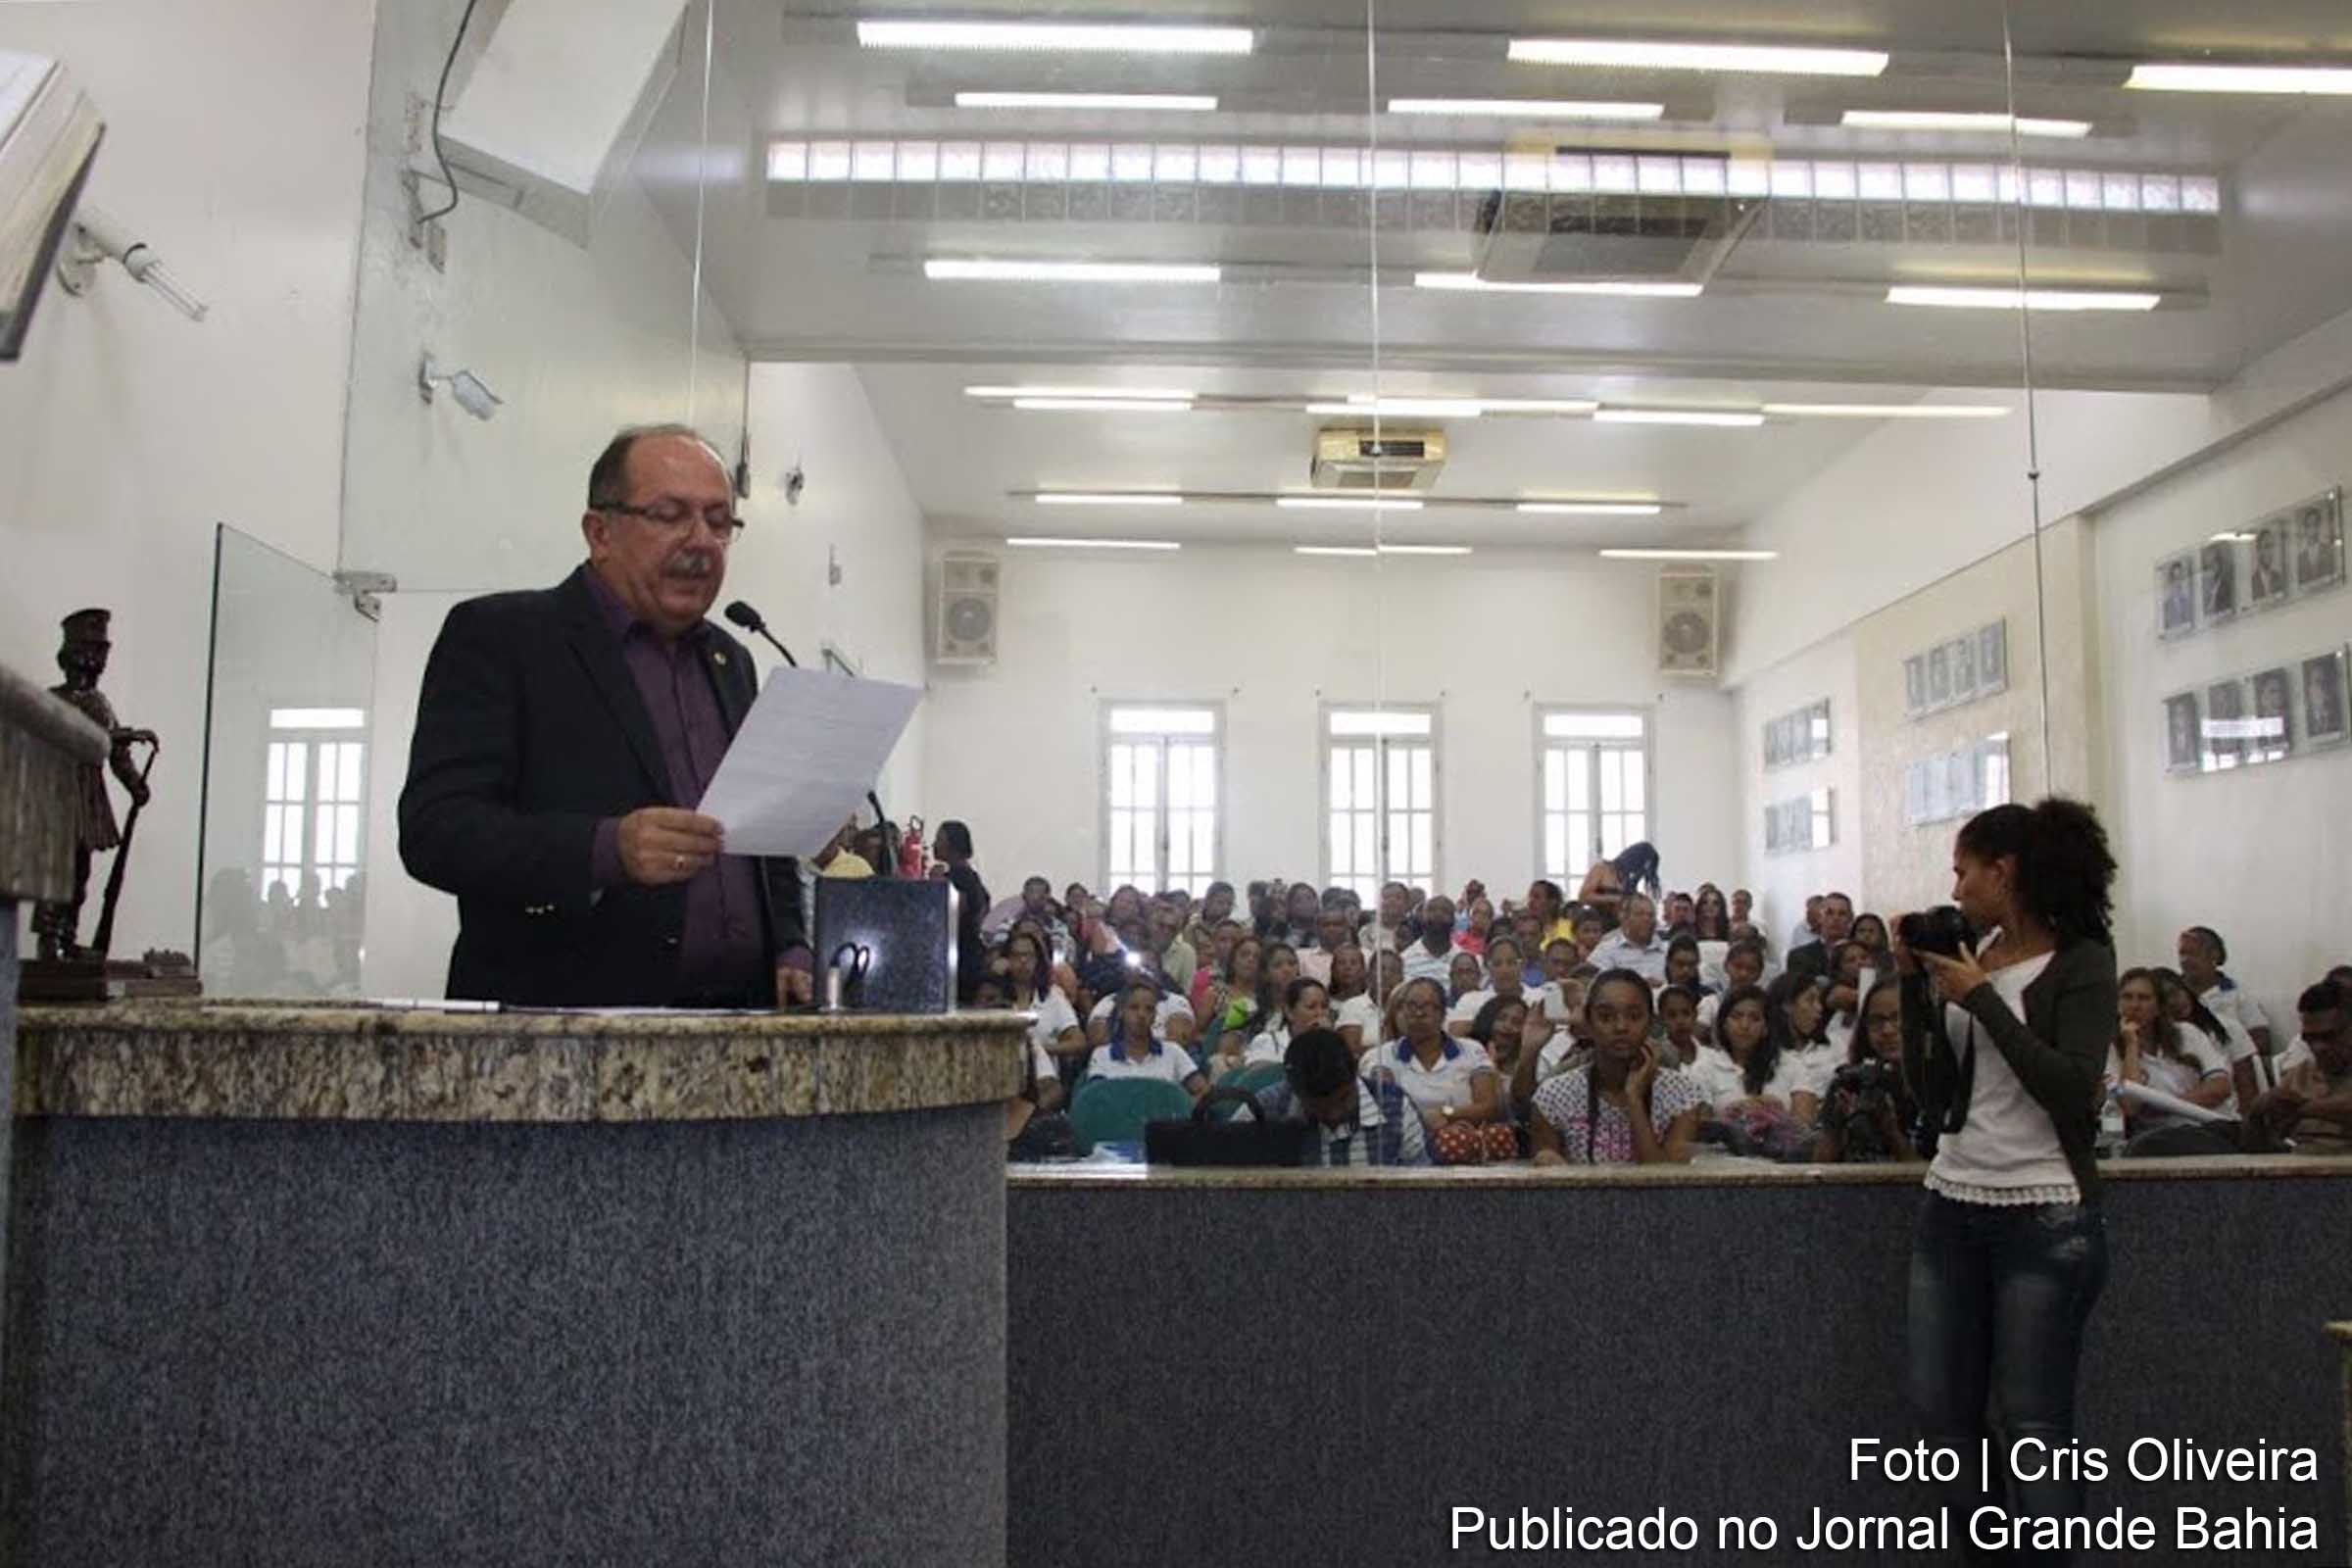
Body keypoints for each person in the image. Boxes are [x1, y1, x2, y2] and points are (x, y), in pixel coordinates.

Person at [399, 424, 812, 1007]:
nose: (701, 541)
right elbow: (435, 832)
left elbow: (758, 835)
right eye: (670, 515)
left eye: (719, 522)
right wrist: (605, 849)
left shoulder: (732, 661)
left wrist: (791, 945)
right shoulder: (503, 638)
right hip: (561, 1035)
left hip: (738, 1031)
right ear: (600, 532)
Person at [1899, 799, 2120, 1552]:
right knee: (1941, 1419)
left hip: (2045, 1212)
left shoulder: (2082, 961)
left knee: (2034, 1429)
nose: (1955, 889)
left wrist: (1983, 1001)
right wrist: (1915, 990)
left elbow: (2070, 1086)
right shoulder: (1976, 953)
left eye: (1965, 871)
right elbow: (1931, 1094)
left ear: (2006, 871)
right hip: (1953, 1199)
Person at [1530, 969, 1703, 1165]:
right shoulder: (1553, 1096)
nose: (1621, 1027)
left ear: (1651, 1024)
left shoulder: (1682, 1094)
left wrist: (1635, 1099)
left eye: (1634, 1016)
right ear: (1588, 1023)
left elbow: (1666, 1183)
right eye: (1606, 1017)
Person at [1364, 977, 1513, 1161]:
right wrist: (1424, 1122)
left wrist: (1446, 1114)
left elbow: (1489, 1107)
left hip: (1462, 1150)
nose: (1418, 1013)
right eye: (1411, 1006)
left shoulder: (1471, 1051)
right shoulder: (1382, 1057)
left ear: (1442, 1014)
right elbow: (1385, 1112)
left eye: (1427, 1006)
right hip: (1406, 1154)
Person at [1250, 1027, 1431, 1167]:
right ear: (1294, 1090)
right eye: (1321, 1108)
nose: (1334, 1115)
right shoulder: (1266, 1107)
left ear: (1355, 1075)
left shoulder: (1395, 1105)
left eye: (1343, 1100)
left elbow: (1422, 1185)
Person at [2106, 966, 2230, 1151]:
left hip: (2209, 1127)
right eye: (2127, 997)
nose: (2135, 1006)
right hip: (2157, 1139)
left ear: (2158, 1007)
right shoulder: (2110, 1050)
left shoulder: (2188, 1034)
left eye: (2144, 998)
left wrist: (2168, 1105)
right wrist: (2131, 1045)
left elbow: (2220, 1086)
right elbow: (2131, 1106)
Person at [1812, 978, 1919, 1163]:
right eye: (1876, 1021)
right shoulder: (1852, 1080)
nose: (1887, 1030)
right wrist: (1836, 1123)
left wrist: (1888, 1128)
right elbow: (1821, 1167)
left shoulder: (1934, 1089)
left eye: (1897, 1018)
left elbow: (1924, 1175)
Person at [2243, 983, 2352, 1154]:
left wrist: (2303, 1108)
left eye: (2328, 1037)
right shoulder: (2301, 1076)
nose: (2318, 1047)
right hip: (2300, 1170)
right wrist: (2257, 1115)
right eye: (2310, 1038)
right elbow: (2260, 1148)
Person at [1085, 980, 1208, 1101]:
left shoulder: (1173, 1052)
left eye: (1149, 1009)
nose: (1141, 1015)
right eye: (1134, 1008)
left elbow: (1203, 1090)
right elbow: (1095, 1100)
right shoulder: (1102, 1055)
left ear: (1155, 1015)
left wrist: (1185, 1111)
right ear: (1122, 1012)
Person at [1003, 931, 1077, 1114]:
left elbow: (1078, 1042)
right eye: (1016, 955)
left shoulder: (1052, 997)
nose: (1022, 961)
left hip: (1043, 1082)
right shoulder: (995, 996)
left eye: (1028, 955)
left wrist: (1042, 1049)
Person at [2177, 926, 2271, 1054]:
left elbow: (2262, 1040)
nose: (2185, 960)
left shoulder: (2237, 994)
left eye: (2193, 953)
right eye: (2182, 953)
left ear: (2214, 955)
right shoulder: (2171, 992)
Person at [1217, 976, 1331, 1079]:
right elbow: (1254, 1080)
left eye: (1324, 1007)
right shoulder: (1268, 1041)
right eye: (1311, 1007)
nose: (1320, 1013)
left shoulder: (1333, 1044)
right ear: (1289, 1012)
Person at [929, 820, 992, 1003]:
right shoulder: (972, 876)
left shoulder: (960, 877)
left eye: (939, 839)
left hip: (961, 957)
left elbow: (951, 913)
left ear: (953, 844)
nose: (934, 844)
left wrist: (936, 887)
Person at [1446, 936, 1530, 1037]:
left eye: (1511, 963)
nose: (1505, 970)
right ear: (1487, 968)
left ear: (1523, 964)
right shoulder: (1470, 1000)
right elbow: (1455, 1033)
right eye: (1497, 964)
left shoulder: (1539, 998)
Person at [1589, 893, 1668, 984]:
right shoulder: (1605, 951)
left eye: (1651, 915)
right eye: (1640, 914)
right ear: (1624, 918)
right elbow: (1596, 985)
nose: (1646, 919)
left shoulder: (1667, 951)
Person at [1786, 891, 1854, 981]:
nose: (1835, 918)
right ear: (1820, 917)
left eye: (1842, 914)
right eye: (1829, 913)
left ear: (1850, 919)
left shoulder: (1862, 956)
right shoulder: (1800, 956)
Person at [1398, 895, 1458, 985]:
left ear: (1454, 919)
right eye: (1431, 910)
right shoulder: (1405, 960)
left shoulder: (1462, 958)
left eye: (1445, 911)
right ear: (1421, 917)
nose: (1438, 914)